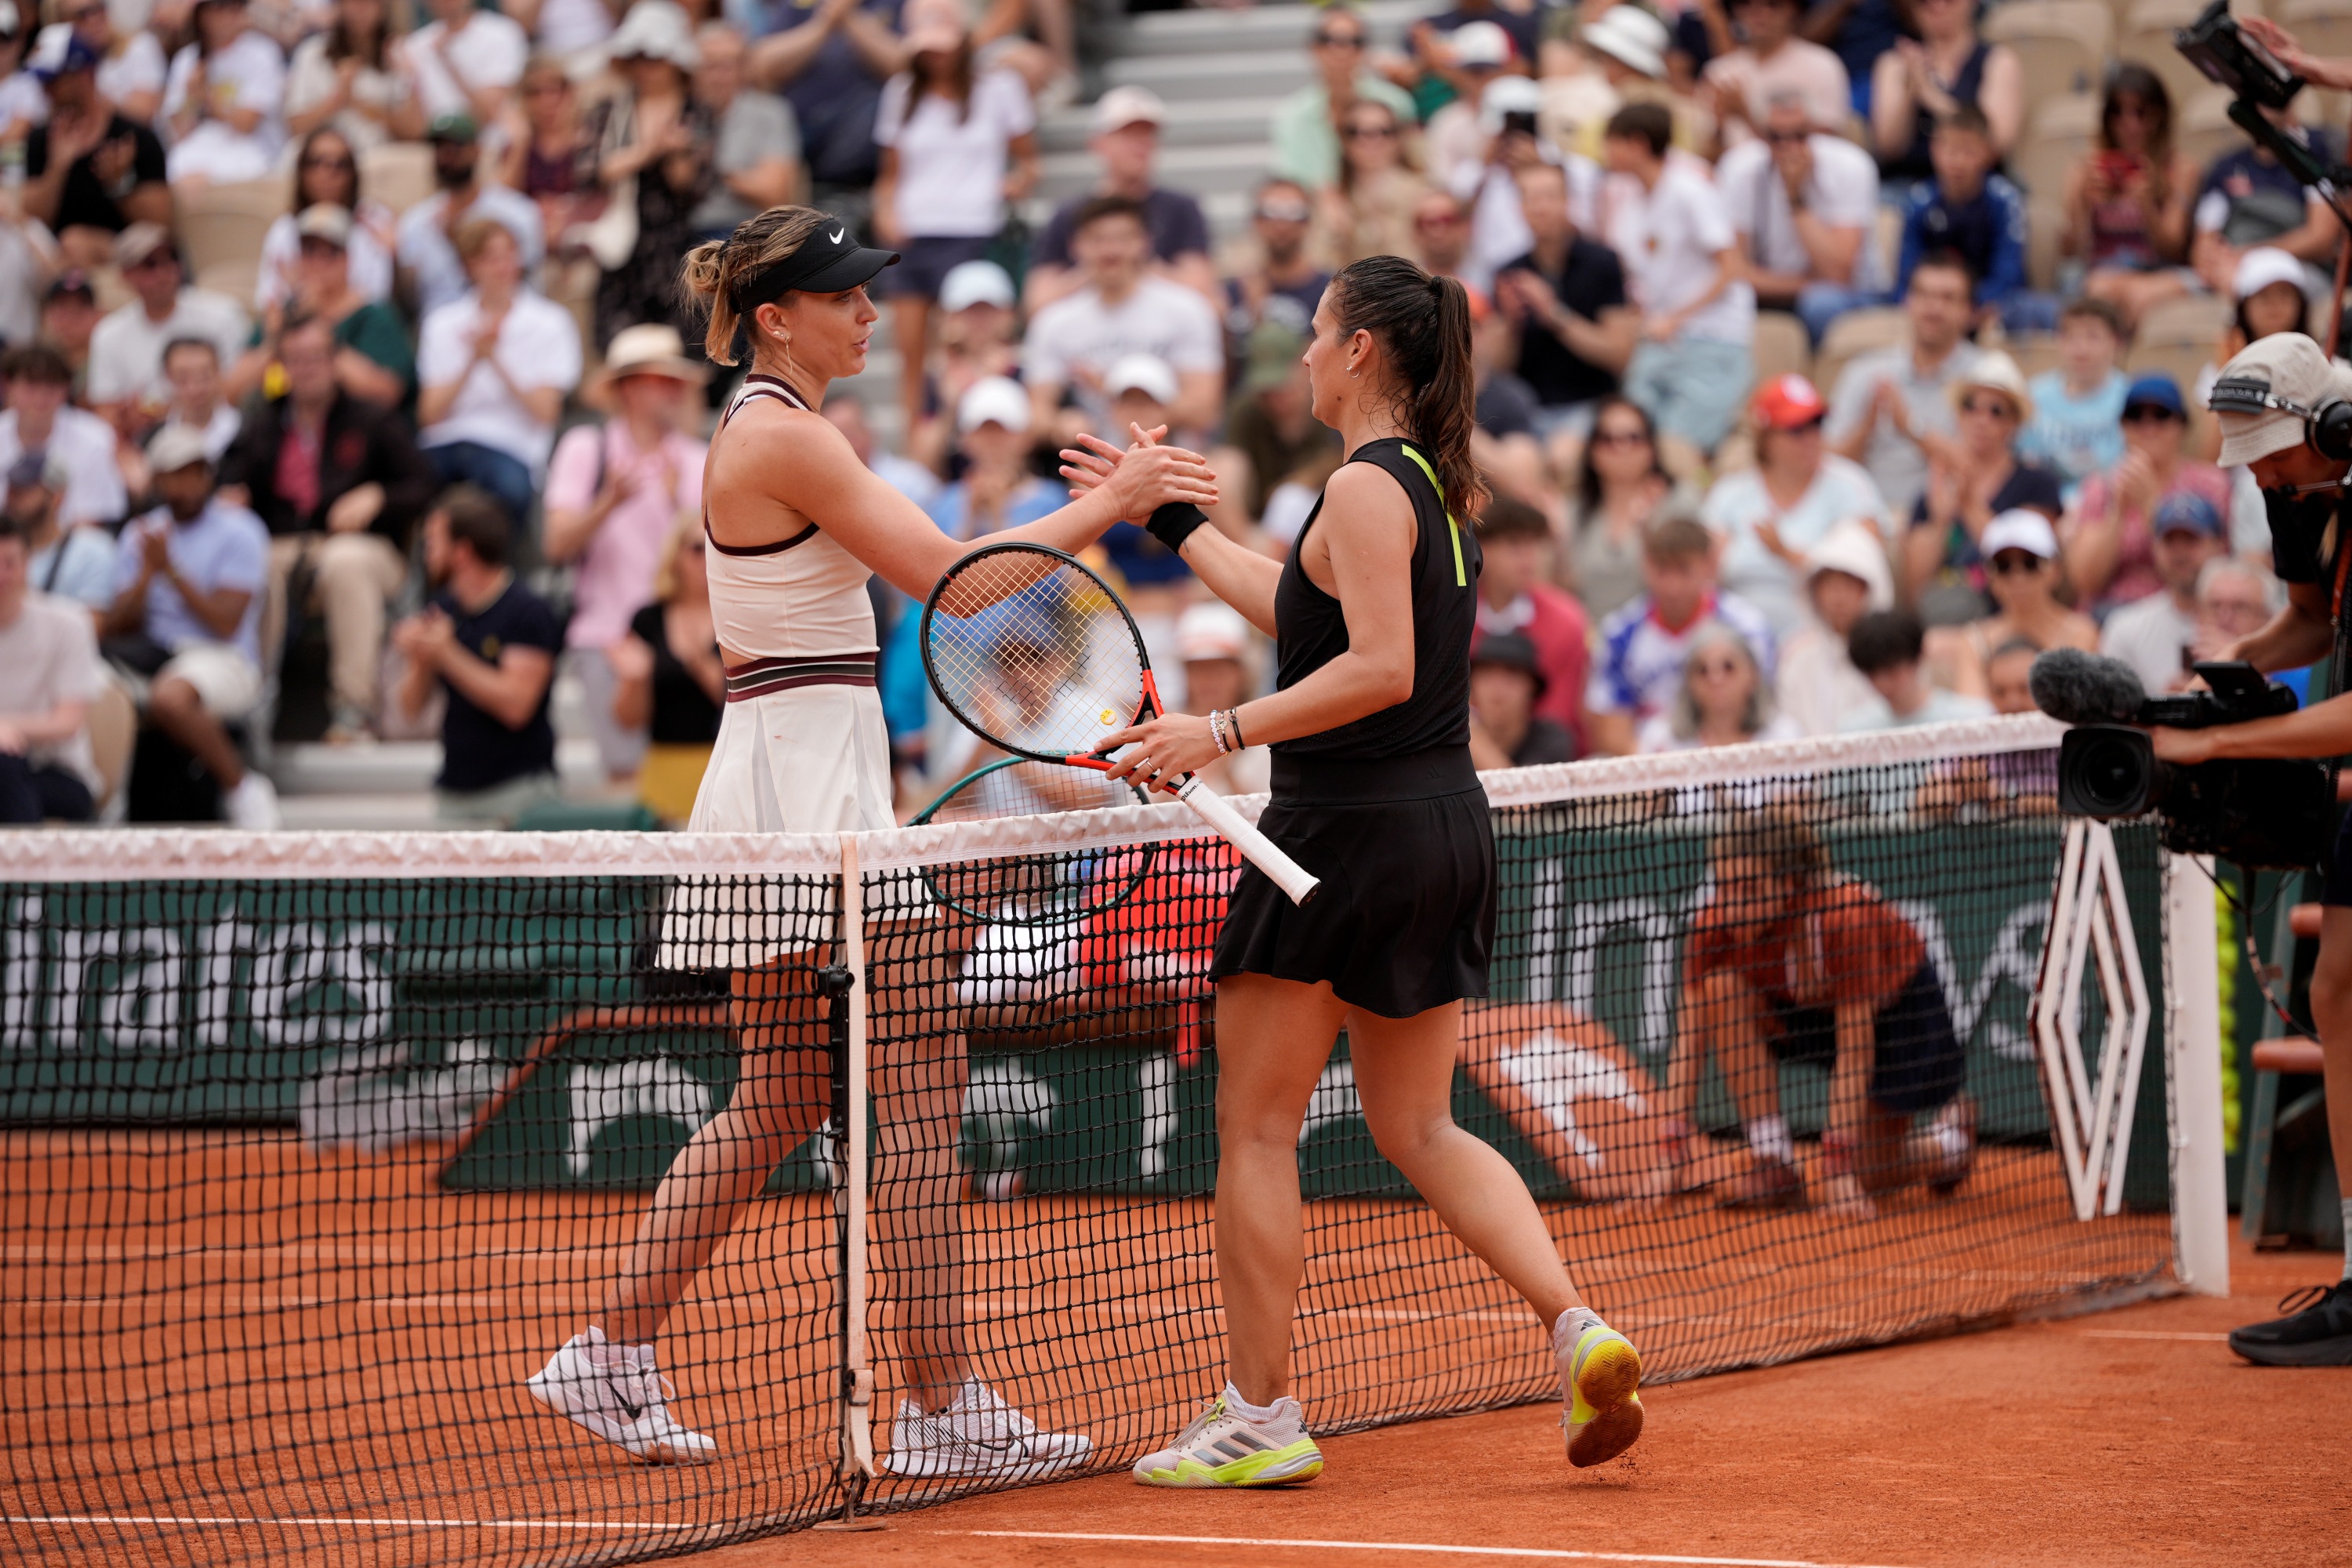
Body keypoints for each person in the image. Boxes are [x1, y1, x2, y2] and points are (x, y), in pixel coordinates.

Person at [522, 205, 1216, 1468]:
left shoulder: (775, 429)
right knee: (915, 1093)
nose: (870, 313)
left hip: (783, 783)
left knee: (782, 1093)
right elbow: (954, 582)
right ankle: (940, 1406)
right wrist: (1115, 501)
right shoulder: (787, 437)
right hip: (806, 794)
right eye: (846, 297)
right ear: (777, 318)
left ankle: (608, 1352)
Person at [1069, 252, 1643, 1486]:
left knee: (1259, 1129)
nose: (1308, 349)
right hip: (1434, 825)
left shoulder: (1370, 490)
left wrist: (1212, 734)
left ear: (1363, 353)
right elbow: (1305, 612)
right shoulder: (1424, 488)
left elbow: (1376, 667)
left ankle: (1259, 1420)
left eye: (1320, 331)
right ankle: (1575, 1327)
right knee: (1420, 1124)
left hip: (1343, 840)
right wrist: (1164, 518)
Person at [2146, 327, 2352, 1363]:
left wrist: (2229, 738)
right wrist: (2233, 663)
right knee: (2339, 989)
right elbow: (2314, 625)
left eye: (2276, 448)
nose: (2264, 473)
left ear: (2337, 426)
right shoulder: (2294, 492)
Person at [1652, 814, 1975, 1216]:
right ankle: (1774, 1158)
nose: (1732, 906)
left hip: (1897, 1015)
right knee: (1720, 990)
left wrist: (1839, 1167)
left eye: (1749, 890)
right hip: (1805, 1011)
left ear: (1788, 886)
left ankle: (1949, 1144)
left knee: (1869, 1174)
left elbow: (1856, 1050)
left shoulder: (1843, 918)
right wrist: (1670, 1152)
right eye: (1724, 889)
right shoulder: (1713, 928)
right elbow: (1689, 1042)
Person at [216, 310, 435, 744]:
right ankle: (253, 704)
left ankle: (354, 710)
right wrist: (231, 499)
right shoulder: (264, 424)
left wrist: (378, 496)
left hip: (366, 551)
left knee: (345, 561)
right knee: (254, 565)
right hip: (285, 547)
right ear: (282, 367)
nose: (307, 367)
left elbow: (425, 483)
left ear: (335, 361)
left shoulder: (371, 419)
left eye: (317, 356)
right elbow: (227, 480)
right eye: (296, 359)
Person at [543, 322, 707, 779]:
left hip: (683, 643)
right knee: (626, 784)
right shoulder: (585, 448)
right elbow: (556, 545)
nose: (676, 391)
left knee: (689, 783)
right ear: (630, 388)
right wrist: (608, 504)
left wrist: (677, 504)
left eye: (677, 380)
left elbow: (709, 557)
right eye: (664, 379)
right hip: (609, 640)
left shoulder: (696, 458)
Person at [872, 0, 1036, 441]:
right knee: (910, 354)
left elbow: (1027, 162)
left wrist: (1013, 184)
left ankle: (965, 442)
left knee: (964, 349)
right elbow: (890, 174)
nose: (937, 55)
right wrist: (887, 211)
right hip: (914, 234)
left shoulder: (999, 86)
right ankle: (916, 443)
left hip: (972, 230)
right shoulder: (902, 91)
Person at [99, 424, 278, 828]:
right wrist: (146, 575)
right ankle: (103, 807)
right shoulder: (139, 535)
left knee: (171, 698)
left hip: (223, 658)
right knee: (88, 688)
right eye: (175, 475)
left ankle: (242, 789)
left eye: (194, 473)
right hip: (149, 656)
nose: (186, 485)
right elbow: (118, 626)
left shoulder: (241, 530)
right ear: (159, 480)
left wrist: (172, 572)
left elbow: (226, 623)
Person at [391, 488, 561, 823]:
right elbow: (410, 708)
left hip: (518, 796)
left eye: (434, 541)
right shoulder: (442, 609)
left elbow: (516, 706)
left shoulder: (527, 611)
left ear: (462, 551)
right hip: (453, 794)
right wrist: (421, 657)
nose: (427, 553)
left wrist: (447, 653)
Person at [1602, 102, 1753, 459]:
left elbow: (1731, 267)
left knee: (1673, 453)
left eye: (1612, 142)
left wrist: (1676, 318)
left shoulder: (1690, 190)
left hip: (1714, 340)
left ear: (1637, 144)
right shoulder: (1631, 205)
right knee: (1627, 439)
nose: (1605, 153)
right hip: (1660, 345)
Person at [415, 216, 583, 528]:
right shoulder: (442, 323)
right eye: (490, 258)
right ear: (469, 266)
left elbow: (546, 412)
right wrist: (472, 360)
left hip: (511, 447)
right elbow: (429, 414)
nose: (503, 266)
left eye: (509, 254)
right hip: (446, 443)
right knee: (408, 483)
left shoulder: (551, 323)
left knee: (508, 490)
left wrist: (495, 360)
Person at [1700, 372, 1889, 636]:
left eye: (1817, 423)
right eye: (1796, 429)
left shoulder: (1851, 484)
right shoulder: (1729, 493)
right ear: (1765, 438)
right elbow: (1703, 576)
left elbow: (1865, 575)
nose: (1811, 437)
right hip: (1736, 633)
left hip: (1823, 633)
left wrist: (1785, 553)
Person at [1023, 195, 1223, 441]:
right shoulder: (1054, 322)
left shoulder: (1187, 309)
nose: (1110, 251)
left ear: (1145, 242)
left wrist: (1122, 403)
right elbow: (1037, 411)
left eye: (1123, 238)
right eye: (1098, 239)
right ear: (1075, 246)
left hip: (1176, 454)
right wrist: (1060, 424)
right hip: (1096, 461)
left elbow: (1204, 408)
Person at [1585, 514, 1774, 755]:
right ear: (1646, 565)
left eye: (1684, 570)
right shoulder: (1618, 633)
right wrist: (1663, 777)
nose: (1672, 586)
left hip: (1734, 761)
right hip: (1649, 769)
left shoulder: (1747, 628)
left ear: (1708, 565)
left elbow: (1761, 715)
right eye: (1662, 569)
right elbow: (1612, 732)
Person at [586, 2, 716, 350]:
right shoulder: (612, 109)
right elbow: (598, 169)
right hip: (622, 244)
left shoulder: (695, 111)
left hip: (675, 245)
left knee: (681, 345)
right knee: (621, 345)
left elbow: (688, 183)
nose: (647, 66)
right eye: (638, 56)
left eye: (655, 56)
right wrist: (653, 149)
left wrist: (673, 151)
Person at [1904, 351, 2063, 622]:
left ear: (2013, 424)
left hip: (2009, 616)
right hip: (1943, 613)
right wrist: (1940, 521)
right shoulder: (1935, 486)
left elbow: (2027, 563)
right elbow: (1914, 590)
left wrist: (1967, 504)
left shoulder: (2038, 484)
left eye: (1996, 411)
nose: (1981, 418)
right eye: (1970, 406)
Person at [1023, 85, 1214, 312]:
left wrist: (1133, 263)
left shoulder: (1181, 208)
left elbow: (1203, 292)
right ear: (1098, 143)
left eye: (1147, 134)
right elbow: (1037, 302)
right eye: (1128, 135)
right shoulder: (1070, 213)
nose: (1140, 144)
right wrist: (1100, 266)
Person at [1825, 248, 1978, 520]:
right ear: (1908, 302)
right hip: (1862, 515)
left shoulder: (1984, 377)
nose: (1934, 309)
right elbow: (1827, 463)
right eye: (1924, 295)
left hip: (1940, 518)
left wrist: (1909, 425)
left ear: (1967, 311)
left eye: (1948, 298)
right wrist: (1866, 427)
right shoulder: (1865, 371)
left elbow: (1981, 470)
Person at [2063, 373, 2230, 615]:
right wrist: (2117, 512)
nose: (2149, 427)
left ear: (2181, 425)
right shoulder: (2101, 487)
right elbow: (2086, 581)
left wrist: (2152, 507)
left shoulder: (2209, 483)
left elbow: (2210, 569)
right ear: (2123, 427)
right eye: (2136, 416)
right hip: (2110, 612)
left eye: (2161, 416)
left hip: (2183, 610)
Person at [1722, 91, 1878, 345]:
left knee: (1820, 304)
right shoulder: (1740, 168)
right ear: (1762, 135)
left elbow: (1839, 275)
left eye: (1799, 135)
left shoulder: (1851, 166)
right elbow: (1733, 270)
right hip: (1772, 292)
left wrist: (1796, 199)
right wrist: (1805, 283)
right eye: (1776, 138)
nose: (1789, 148)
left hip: (1852, 295)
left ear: (1815, 131)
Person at [1494, 159, 1632, 438]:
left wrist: (1553, 313)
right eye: (1530, 198)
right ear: (1519, 208)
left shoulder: (1602, 262)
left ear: (1568, 201)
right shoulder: (1508, 272)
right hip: (1527, 408)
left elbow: (1620, 356)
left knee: (1564, 452)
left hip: (1590, 404)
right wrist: (1510, 324)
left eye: (1549, 196)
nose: (1540, 208)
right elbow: (1498, 368)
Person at [230, 204, 413, 410]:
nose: (318, 262)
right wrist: (275, 340)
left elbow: (386, 394)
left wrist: (319, 327)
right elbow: (232, 392)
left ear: (347, 260)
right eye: (309, 251)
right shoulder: (285, 313)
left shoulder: (374, 316)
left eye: (330, 253)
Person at [19, 26, 168, 270]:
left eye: (53, 81)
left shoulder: (133, 136)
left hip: (126, 251)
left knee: (74, 242)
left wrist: (120, 184)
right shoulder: (40, 138)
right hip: (58, 253)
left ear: (84, 75)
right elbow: (33, 220)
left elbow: (159, 225)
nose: (46, 91)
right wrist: (58, 166)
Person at [1889, 107, 2045, 338]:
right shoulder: (1919, 201)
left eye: (1968, 151)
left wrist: (1967, 305)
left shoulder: (2005, 200)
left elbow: (2009, 272)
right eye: (1950, 151)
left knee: (2039, 310)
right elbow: (1909, 271)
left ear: (1988, 153)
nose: (1957, 162)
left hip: (1993, 303)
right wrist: (1935, 304)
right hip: (1932, 301)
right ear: (1935, 150)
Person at [2063, 64, 2198, 328]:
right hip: (2102, 273)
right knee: (2101, 290)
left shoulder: (2181, 169)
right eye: (2118, 112)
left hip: (2160, 273)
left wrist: (2147, 206)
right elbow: (2072, 251)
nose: (2130, 123)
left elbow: (2174, 248)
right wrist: (2082, 204)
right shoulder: (2084, 171)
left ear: (2159, 116)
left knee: (2135, 295)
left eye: (2141, 112)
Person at [611, 514, 722, 825]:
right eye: (699, 548)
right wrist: (636, 680)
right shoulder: (648, 619)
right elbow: (627, 719)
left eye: (718, 547)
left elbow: (740, 703)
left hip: (721, 767)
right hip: (663, 766)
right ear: (676, 555)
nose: (708, 558)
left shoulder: (736, 615)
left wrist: (699, 663)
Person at [86, 225, 249, 435]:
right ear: (126, 275)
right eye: (150, 264)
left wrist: (170, 411)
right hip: (146, 443)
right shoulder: (108, 334)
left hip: (221, 434)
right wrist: (130, 419)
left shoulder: (223, 314)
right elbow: (106, 414)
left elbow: (241, 387)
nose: (163, 272)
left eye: (170, 259)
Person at [1922, 506, 2096, 698]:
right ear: (1990, 576)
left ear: (2055, 569)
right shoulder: (1974, 642)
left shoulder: (2080, 633)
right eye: (2004, 566)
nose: (2018, 577)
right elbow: (1975, 715)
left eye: (2030, 563)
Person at [0, 510, 103, 822]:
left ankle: (21, 870)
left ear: (28, 563)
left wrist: (7, 728)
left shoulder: (68, 623)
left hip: (58, 773)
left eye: (10, 564)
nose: (2, 575)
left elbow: (67, 722)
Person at [396, 114, 546, 319]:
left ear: (477, 150)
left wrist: (456, 241)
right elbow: (409, 301)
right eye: (440, 149)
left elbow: (530, 282)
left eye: (456, 147)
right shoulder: (416, 222)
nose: (447, 156)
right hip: (440, 333)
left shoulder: (517, 213)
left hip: (508, 326)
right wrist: (394, 260)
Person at [749, 0, 903, 200]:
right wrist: (825, 22)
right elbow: (762, 64)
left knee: (873, 109)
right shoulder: (798, 6)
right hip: (802, 132)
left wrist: (850, 17)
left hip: (866, 143)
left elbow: (906, 67)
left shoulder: (897, 4)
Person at [1474, 496, 1588, 750]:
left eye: (1534, 544)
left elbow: (1558, 719)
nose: (1529, 558)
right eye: (1514, 544)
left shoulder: (1566, 622)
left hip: (1545, 760)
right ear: (1482, 548)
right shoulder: (1454, 615)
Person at [1866, 0, 2018, 183]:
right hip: (1908, 183)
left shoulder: (1998, 61)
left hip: (1975, 187)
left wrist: (1931, 96)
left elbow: (1994, 143)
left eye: (1950, 1)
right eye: (1925, 3)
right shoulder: (1894, 63)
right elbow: (1888, 147)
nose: (1938, 7)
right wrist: (1909, 91)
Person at [1563, 396, 1688, 620]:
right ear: (1592, 452)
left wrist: (1647, 531)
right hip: (1589, 633)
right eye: (1608, 439)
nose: (1622, 448)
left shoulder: (1678, 501)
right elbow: (1564, 592)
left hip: (1657, 632)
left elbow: (1686, 581)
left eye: (1634, 438)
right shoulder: (1574, 510)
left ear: (1652, 448)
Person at [1270, 4, 1418, 192]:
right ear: (1313, 48)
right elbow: (1290, 182)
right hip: (1317, 211)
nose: (1343, 50)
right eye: (1330, 40)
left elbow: (1414, 166)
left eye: (1354, 41)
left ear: (1365, 50)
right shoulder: (1292, 115)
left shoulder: (1397, 103)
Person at [2098, 492, 2228, 695]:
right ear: (2154, 548)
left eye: (2191, 540)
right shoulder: (2126, 627)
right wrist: (2163, 706)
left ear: (2219, 546)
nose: (2180, 553)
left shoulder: (2248, 617)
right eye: (2170, 541)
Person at [256, 127, 399, 310]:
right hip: (301, 329)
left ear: (353, 173)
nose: (328, 173)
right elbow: (269, 303)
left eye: (340, 164)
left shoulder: (374, 222)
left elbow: (378, 300)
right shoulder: (284, 230)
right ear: (302, 170)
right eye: (316, 162)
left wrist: (397, 260)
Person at [1774, 517, 1890, 736]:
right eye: (1829, 586)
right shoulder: (1795, 655)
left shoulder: (1894, 656)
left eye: (1849, 585)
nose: (1838, 598)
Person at [689, 22, 800, 239]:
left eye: (727, 66)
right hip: (683, 231)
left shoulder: (770, 113)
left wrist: (710, 164)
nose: (718, 77)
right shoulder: (682, 112)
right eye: (710, 66)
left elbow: (775, 193)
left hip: (744, 231)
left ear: (743, 69)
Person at [161, 0, 287, 186]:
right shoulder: (186, 60)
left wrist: (207, 97)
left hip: (254, 153)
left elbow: (246, 124)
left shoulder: (262, 53)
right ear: (201, 14)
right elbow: (178, 133)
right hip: (201, 153)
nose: (229, 15)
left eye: (235, 7)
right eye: (219, 7)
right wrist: (191, 98)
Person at [2018, 297, 2130, 503]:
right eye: (2070, 337)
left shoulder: (2130, 397)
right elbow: (2026, 464)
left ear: (2116, 342)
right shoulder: (2034, 395)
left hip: (2109, 507)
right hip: (2045, 507)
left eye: (2093, 337)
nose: (2081, 349)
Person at [925, 375, 1060, 543]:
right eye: (983, 430)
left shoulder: (1052, 502)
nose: (993, 440)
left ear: (1027, 438)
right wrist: (971, 518)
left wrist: (998, 516)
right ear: (966, 439)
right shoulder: (944, 503)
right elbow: (941, 567)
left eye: (1004, 430)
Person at [0, 343, 122, 529]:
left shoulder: (95, 437)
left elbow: (92, 520)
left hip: (66, 547)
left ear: (66, 389)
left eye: (51, 387)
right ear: (8, 386)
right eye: (31, 386)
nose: (41, 398)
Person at [1699, 0, 1846, 150]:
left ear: (1793, 9)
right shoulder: (1719, 71)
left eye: (1773, 4)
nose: (1758, 12)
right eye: (1745, 3)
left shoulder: (1822, 64)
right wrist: (1720, 123)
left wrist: (1745, 115)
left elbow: (1826, 146)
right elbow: (1705, 156)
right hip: (1730, 171)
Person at [1636, 619, 1795, 752]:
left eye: (1728, 667)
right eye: (1703, 670)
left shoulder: (1784, 738)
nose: (1716, 679)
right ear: (1688, 682)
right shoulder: (1661, 741)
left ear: (1753, 675)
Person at [285, 0, 420, 154]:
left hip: (377, 159)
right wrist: (337, 99)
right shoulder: (312, 53)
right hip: (322, 161)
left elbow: (414, 132)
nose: (361, 9)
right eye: (352, 2)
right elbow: (295, 127)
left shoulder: (396, 54)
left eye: (369, 3)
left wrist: (361, 105)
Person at [1319, 97, 1430, 270]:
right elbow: (1320, 268)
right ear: (1343, 140)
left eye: (1384, 131)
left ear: (1398, 138)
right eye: (1355, 131)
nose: (1370, 140)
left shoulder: (1424, 194)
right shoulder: (1331, 196)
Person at [1172, 600, 1269, 795]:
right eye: (1199, 669)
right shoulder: (1162, 734)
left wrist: (1224, 763)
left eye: (1219, 668)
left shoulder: (1269, 740)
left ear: (1241, 673)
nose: (1209, 679)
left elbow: (1268, 819)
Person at [1224, 179, 1330, 354]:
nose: (1282, 225)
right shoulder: (1232, 293)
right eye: (1270, 212)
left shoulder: (1331, 294)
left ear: (1308, 222)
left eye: (1294, 213)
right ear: (1255, 222)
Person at [1842, 606, 1991, 730]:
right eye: (1873, 675)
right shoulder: (1853, 730)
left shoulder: (1971, 721)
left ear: (1918, 658)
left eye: (1892, 671)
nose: (1883, 685)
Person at [397, 0, 527, 133]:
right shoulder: (413, 45)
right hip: (436, 148)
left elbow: (488, 114)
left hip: (486, 146)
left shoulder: (503, 33)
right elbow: (413, 130)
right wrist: (410, 80)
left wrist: (448, 61)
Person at [9, 452, 114, 611]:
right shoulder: (4, 551)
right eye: (11, 488)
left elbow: (92, 625)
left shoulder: (92, 551)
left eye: (25, 489)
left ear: (56, 496)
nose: (12, 497)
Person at [1468, 628, 1574, 767]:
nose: (1498, 689)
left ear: (1532, 687)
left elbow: (1522, 787)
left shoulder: (1551, 739)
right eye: (1486, 675)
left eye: (1512, 676)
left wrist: (1470, 735)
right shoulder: (1451, 739)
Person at [150, 337, 241, 465]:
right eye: (183, 378)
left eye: (204, 377)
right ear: (166, 379)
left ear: (219, 373)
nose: (195, 389)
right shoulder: (153, 440)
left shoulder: (246, 431)